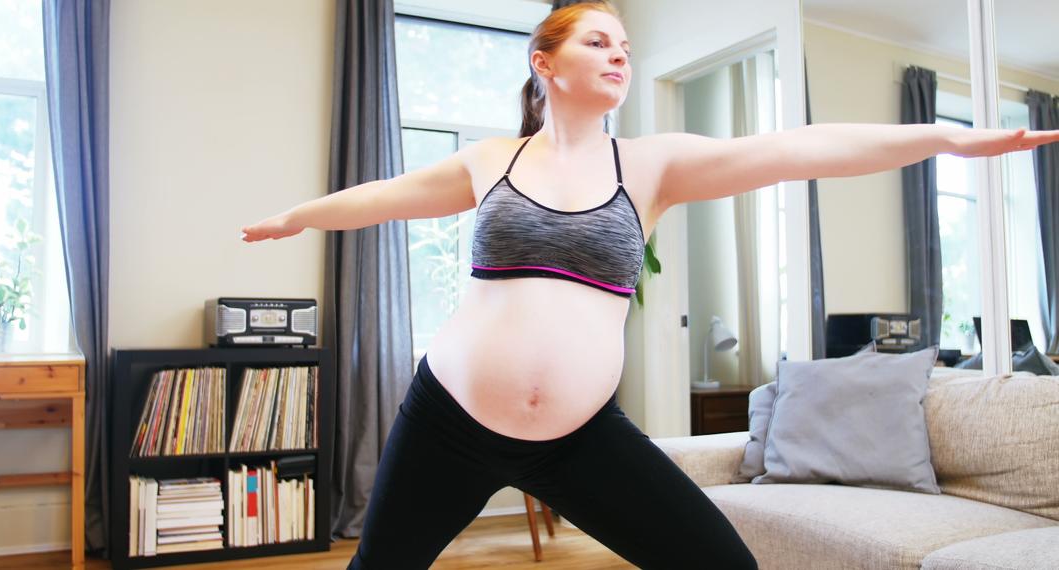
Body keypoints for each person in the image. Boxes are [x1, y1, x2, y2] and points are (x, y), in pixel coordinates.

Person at [240, 3, 1059, 568]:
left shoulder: (652, 165)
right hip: (449, 419)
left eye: (626, 47)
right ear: (545, 63)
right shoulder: (493, 159)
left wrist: (946, 141)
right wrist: (297, 216)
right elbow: (386, 196)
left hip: (580, 434)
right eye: (598, 42)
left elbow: (802, 146)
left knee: (721, 564)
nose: (619, 56)